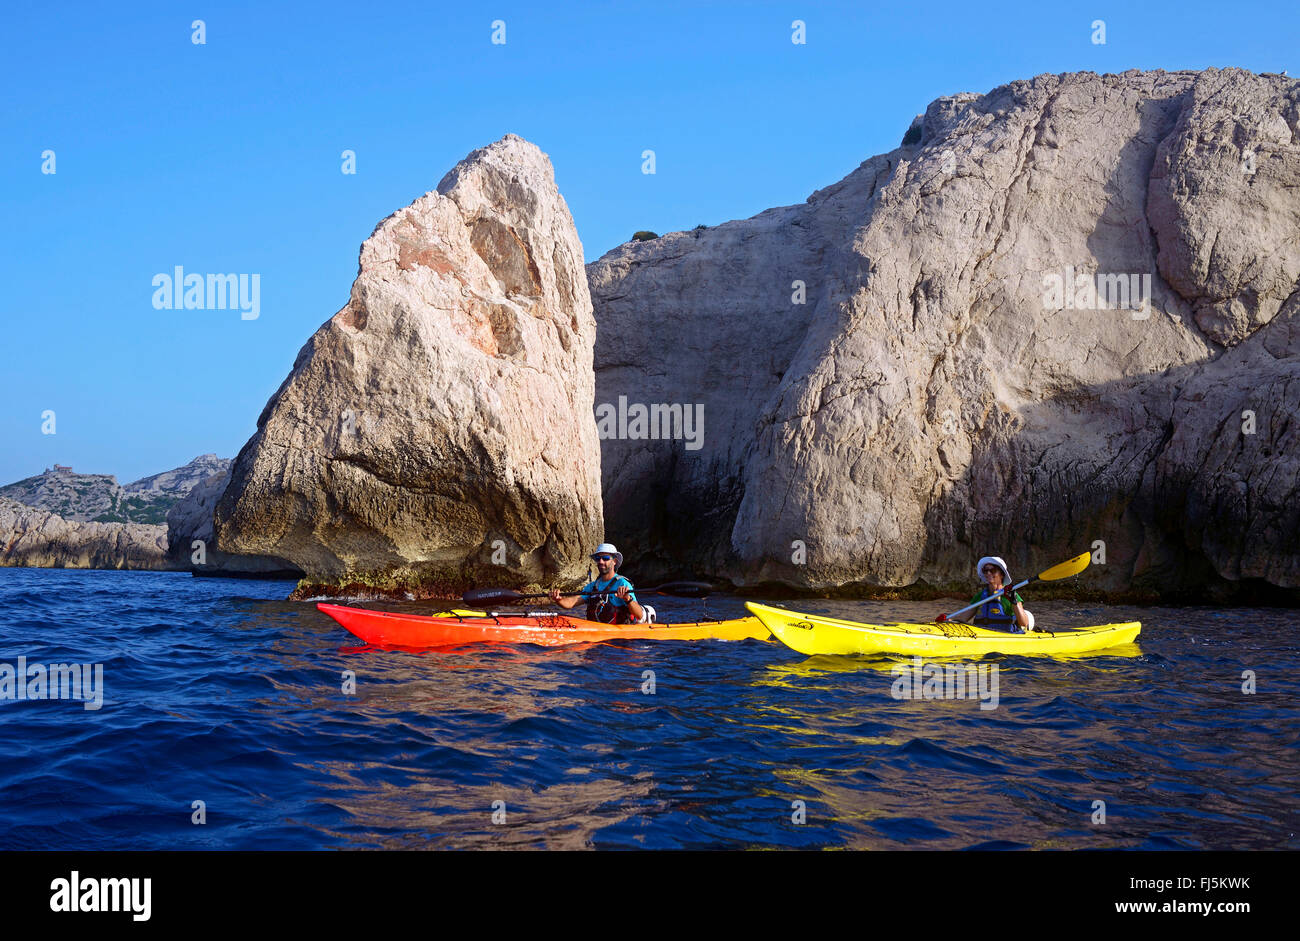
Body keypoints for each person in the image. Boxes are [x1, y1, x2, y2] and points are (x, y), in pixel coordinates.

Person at [549, 543, 648, 624]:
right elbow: (571, 603)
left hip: (618, 640)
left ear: (614, 561)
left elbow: (639, 615)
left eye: (605, 558)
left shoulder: (623, 583)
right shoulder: (593, 586)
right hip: (596, 637)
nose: (601, 561)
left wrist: (627, 599)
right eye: (598, 558)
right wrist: (558, 599)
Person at [959, 556, 1035, 632]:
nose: (988, 573)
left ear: (1002, 575)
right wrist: (948, 619)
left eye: (993, 570)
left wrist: (1014, 601)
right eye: (985, 570)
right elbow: (962, 618)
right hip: (980, 635)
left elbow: (1024, 623)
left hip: (1003, 636)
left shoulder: (1011, 595)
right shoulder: (980, 596)